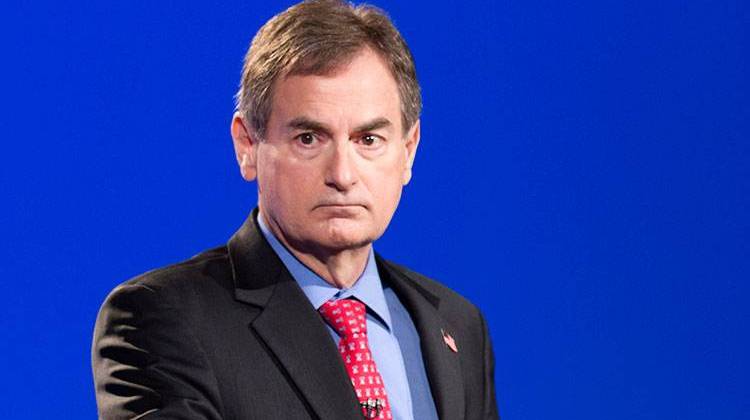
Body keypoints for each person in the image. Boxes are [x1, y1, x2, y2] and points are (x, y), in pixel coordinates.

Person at [91, 1, 499, 419]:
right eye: (309, 138)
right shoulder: (162, 318)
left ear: (408, 151)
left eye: (368, 140)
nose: (342, 174)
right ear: (247, 146)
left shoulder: (458, 327)